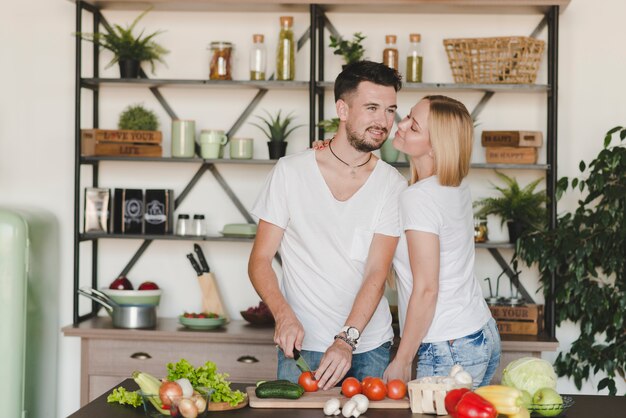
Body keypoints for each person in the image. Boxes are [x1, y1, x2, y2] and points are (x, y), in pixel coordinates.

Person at [248, 60, 406, 390]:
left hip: (368, 346)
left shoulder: (392, 184)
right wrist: (283, 315)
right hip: (302, 346)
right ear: (342, 109)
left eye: (390, 110)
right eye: (372, 107)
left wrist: (347, 339)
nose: (383, 121)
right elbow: (260, 260)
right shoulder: (290, 172)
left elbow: (378, 271)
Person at [383, 95, 501, 388]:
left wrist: (402, 359)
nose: (403, 124)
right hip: (480, 332)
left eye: (414, 127)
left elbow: (427, 289)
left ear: (435, 148)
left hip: (447, 346)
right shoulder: (455, 185)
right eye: (408, 116)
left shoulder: (419, 198)